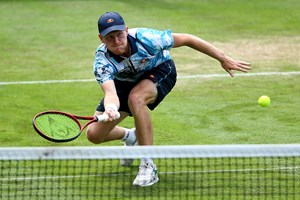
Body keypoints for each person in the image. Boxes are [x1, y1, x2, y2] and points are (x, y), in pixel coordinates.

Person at [86, 11, 251, 187]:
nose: (116, 41)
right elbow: (111, 93)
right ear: (101, 39)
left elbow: (188, 39)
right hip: (124, 82)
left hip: (159, 70)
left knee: (136, 99)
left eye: (119, 34)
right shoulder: (102, 62)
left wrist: (222, 58)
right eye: (110, 37)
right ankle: (131, 136)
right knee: (94, 135)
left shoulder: (147, 38)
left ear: (126, 30)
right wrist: (111, 108)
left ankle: (148, 164)